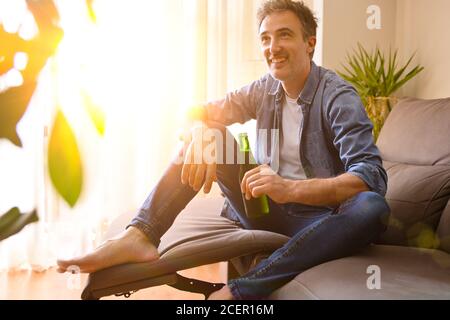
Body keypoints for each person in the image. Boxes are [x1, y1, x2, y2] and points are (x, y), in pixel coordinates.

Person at [57, 0, 390, 300]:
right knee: (212, 134)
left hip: (321, 221)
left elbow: (370, 176)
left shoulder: (338, 97)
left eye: (284, 35)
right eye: (265, 38)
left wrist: (290, 189)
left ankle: (241, 289)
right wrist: (200, 131)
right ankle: (141, 235)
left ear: (310, 43)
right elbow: (195, 110)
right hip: (261, 208)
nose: (273, 47)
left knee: (371, 207)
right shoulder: (264, 88)